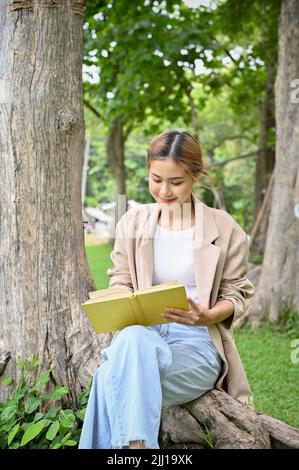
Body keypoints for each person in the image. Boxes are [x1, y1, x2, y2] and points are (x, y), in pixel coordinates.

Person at [78, 130, 255, 450]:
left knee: (109, 379)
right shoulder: (132, 223)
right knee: (132, 341)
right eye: (156, 179)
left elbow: (236, 291)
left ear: (195, 175)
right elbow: (121, 277)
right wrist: (119, 297)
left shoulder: (224, 226)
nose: (164, 190)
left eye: (176, 182)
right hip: (142, 335)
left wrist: (209, 315)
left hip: (196, 344)